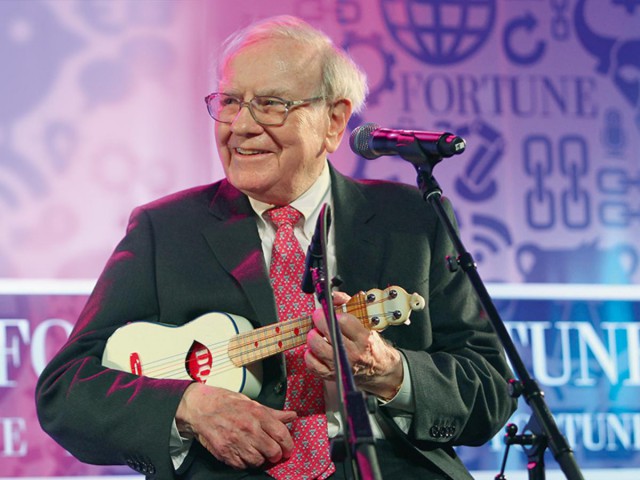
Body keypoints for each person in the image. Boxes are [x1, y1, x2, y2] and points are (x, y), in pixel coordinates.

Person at [36, 15, 516, 480]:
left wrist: (391, 371)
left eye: (270, 104)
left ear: (334, 121)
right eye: (229, 101)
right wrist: (188, 407)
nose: (240, 125)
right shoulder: (164, 230)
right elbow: (67, 389)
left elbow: (492, 390)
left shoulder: (412, 220)